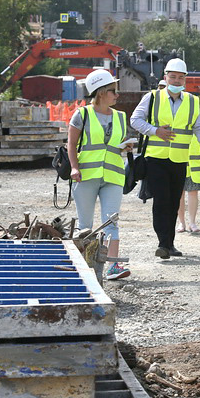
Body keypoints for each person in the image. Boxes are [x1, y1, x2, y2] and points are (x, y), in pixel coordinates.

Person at [130, 58, 200, 259]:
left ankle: (170, 244)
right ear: (165, 77)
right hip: (156, 159)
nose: (176, 81)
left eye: (180, 77)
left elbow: (199, 127)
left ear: (185, 79)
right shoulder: (152, 97)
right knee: (161, 201)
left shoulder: (192, 101)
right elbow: (135, 120)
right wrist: (154, 131)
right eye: (173, 77)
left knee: (174, 202)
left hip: (178, 160)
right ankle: (163, 244)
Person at [68, 69, 131, 280]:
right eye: (113, 91)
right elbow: (71, 144)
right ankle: (82, 268)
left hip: (112, 176)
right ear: (101, 92)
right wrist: (74, 167)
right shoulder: (82, 114)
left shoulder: (121, 117)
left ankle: (113, 267)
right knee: (85, 226)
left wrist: (126, 148)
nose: (117, 95)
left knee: (111, 221)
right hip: (85, 176)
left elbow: (114, 146)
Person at [177, 135, 200, 233]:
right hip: (178, 163)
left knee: (193, 193)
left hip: (195, 167)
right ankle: (181, 222)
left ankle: (192, 223)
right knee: (179, 194)